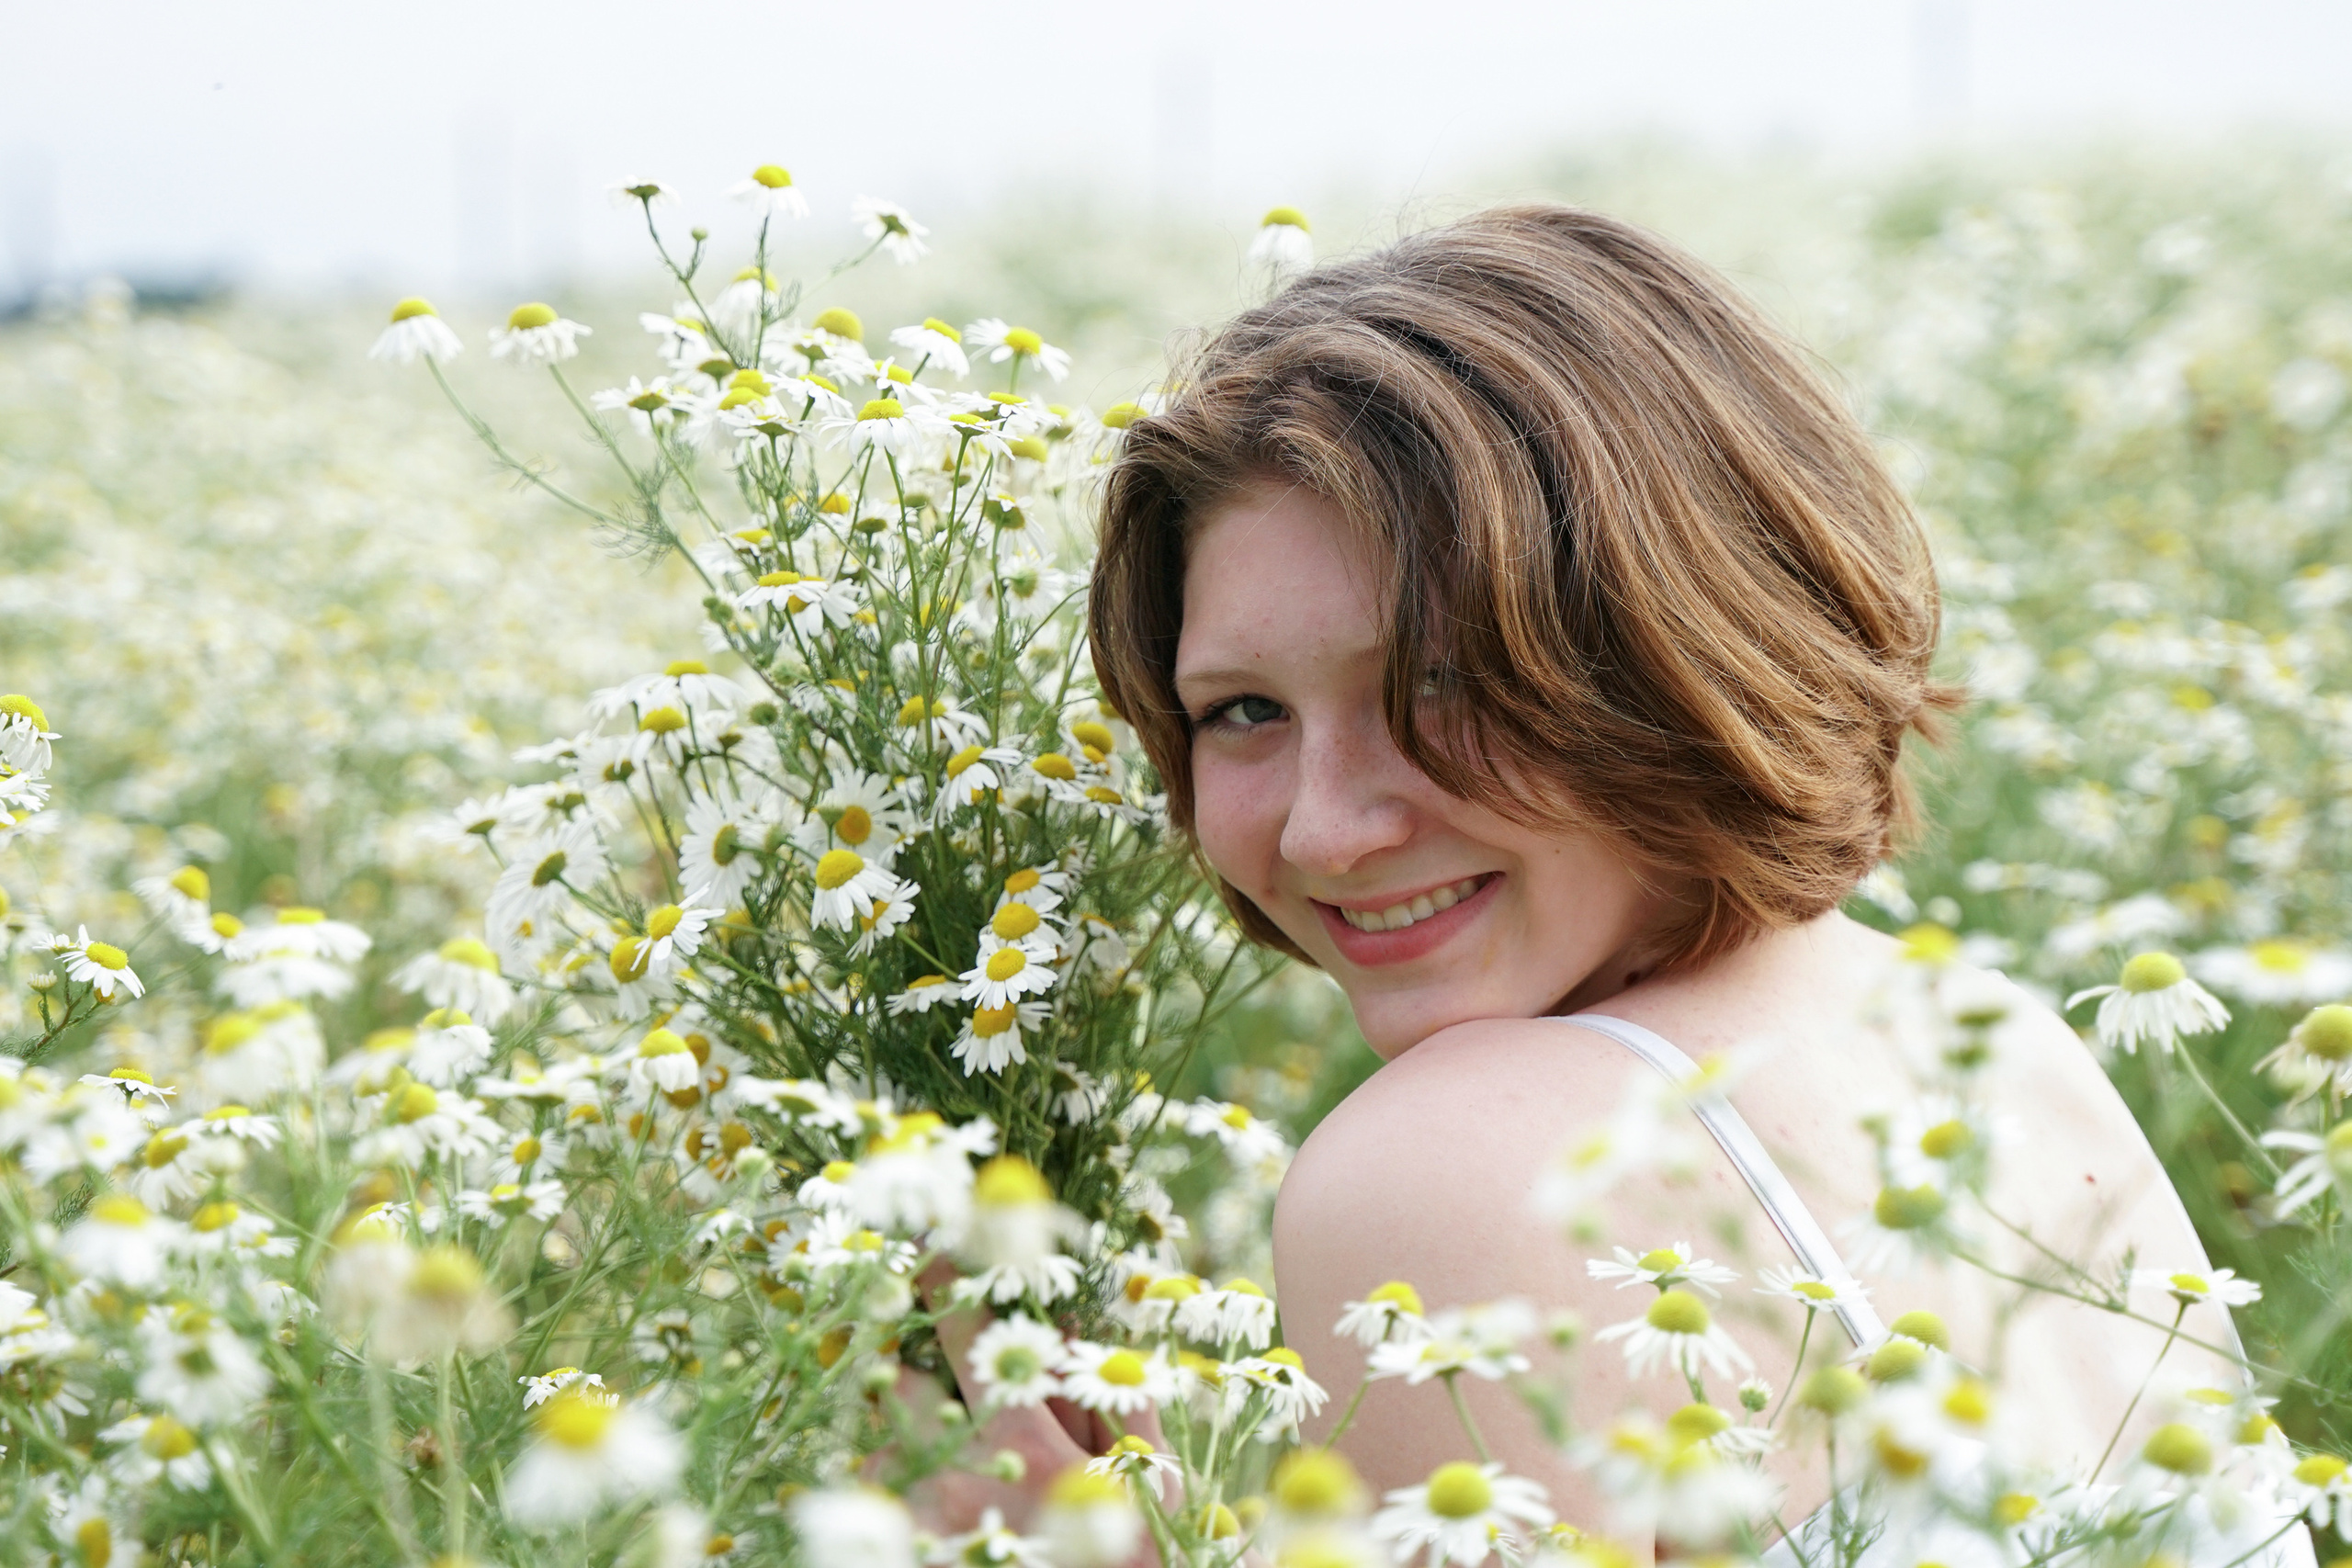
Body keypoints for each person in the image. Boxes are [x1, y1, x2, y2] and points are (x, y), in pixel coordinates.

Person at [1074, 205, 2312, 1563]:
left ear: (1676, 652)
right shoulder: (1985, 1037)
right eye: (1244, 710)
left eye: (1439, 681)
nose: (1324, 832)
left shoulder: (1451, 1167)